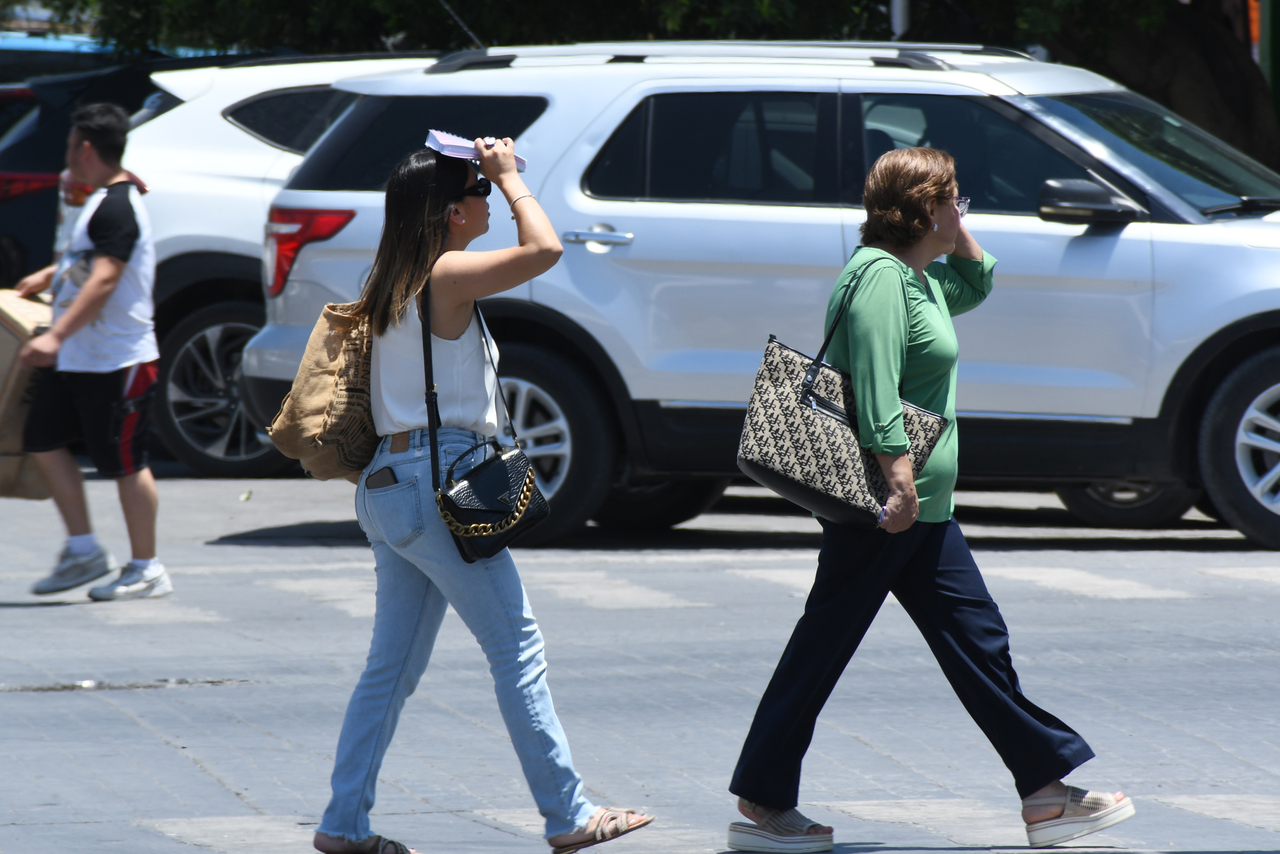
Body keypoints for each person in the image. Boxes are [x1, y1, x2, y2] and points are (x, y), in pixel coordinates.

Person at [726, 148, 1135, 851]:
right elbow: (880, 391)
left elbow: (978, 280)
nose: (961, 209)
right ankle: (763, 799)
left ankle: (1044, 794)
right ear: (921, 211)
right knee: (824, 649)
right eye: (952, 199)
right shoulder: (882, 279)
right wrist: (900, 481)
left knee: (977, 644)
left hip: (923, 510)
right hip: (891, 507)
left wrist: (956, 226)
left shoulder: (919, 278)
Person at [312, 138, 653, 854]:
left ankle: (344, 825)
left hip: (388, 485)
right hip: (436, 487)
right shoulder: (446, 273)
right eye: (480, 192)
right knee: (516, 647)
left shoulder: (391, 273)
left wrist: (485, 172)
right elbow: (547, 250)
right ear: (450, 213)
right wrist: (509, 174)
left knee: (391, 668)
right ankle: (568, 814)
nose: (490, 199)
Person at [18, 103, 170, 601]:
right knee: (41, 438)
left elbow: (106, 277)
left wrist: (54, 337)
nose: (66, 155)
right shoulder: (101, 200)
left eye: (68, 145)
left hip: (116, 359)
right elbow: (88, 262)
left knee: (126, 462)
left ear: (85, 148)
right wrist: (50, 274)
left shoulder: (119, 206)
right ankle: (83, 550)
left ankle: (147, 568)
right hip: (80, 357)